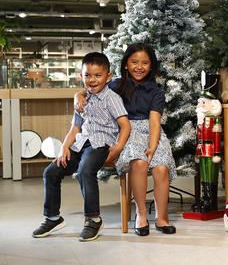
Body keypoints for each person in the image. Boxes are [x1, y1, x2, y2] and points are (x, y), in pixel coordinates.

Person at [75, 43, 177, 236]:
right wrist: (77, 95)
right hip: (127, 130)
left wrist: (153, 146)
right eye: (134, 62)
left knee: (161, 167)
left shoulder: (155, 91)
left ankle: (162, 217)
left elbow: (155, 122)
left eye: (145, 63)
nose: (139, 67)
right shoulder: (116, 85)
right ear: (125, 64)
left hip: (152, 132)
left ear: (151, 66)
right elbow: (89, 91)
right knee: (138, 164)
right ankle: (141, 214)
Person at [32, 52, 131, 241]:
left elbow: (126, 125)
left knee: (85, 171)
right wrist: (64, 148)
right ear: (81, 76)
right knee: (51, 172)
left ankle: (93, 219)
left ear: (108, 77)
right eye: (87, 75)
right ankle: (52, 217)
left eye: (97, 75)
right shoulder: (80, 99)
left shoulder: (112, 98)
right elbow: (75, 127)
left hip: (101, 145)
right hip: (80, 144)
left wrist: (117, 149)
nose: (92, 80)